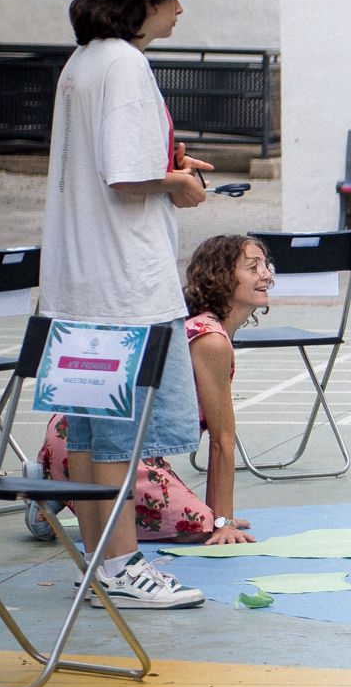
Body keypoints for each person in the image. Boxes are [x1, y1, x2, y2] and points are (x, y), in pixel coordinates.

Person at [38, 0, 212, 608]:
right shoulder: (128, 64)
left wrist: (164, 162)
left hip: (77, 277)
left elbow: (103, 160)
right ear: (141, 0)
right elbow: (125, 175)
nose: (178, 7)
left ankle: (99, 563)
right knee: (114, 433)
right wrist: (180, 183)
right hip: (121, 282)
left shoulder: (82, 64)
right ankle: (123, 565)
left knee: (86, 430)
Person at [34, 233, 269, 546]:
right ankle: (60, 488)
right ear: (223, 278)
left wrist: (219, 516)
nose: (266, 274)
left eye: (266, 265)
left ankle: (56, 490)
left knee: (201, 518)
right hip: (104, 442)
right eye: (253, 268)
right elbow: (222, 439)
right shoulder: (210, 340)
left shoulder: (196, 324)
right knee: (197, 525)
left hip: (72, 430)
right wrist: (221, 522)